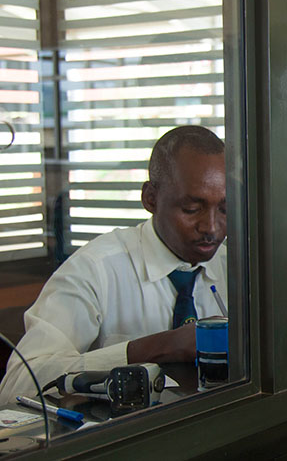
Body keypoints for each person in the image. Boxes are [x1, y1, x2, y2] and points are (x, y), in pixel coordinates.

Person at [0, 126, 227, 404]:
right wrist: (152, 348)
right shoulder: (95, 269)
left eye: (225, 209)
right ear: (150, 199)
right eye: (192, 209)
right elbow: (17, 384)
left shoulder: (236, 269)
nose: (212, 227)